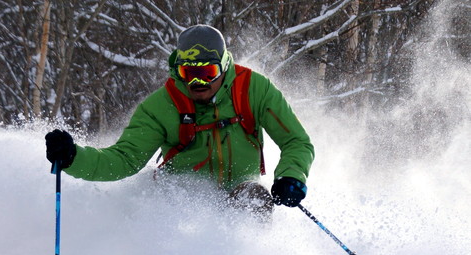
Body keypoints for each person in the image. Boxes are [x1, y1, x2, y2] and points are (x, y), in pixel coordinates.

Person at [45, 24, 314, 220]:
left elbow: (296, 141)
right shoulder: (161, 106)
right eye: (188, 73)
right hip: (181, 200)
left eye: (207, 73)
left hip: (239, 198)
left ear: (223, 67)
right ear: (178, 69)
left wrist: (291, 175)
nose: (198, 83)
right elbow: (124, 160)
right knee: (180, 209)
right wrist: (73, 157)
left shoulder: (254, 89)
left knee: (253, 198)